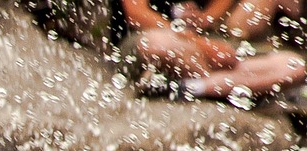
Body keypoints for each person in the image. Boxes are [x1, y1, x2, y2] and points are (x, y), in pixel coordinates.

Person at [118, 0, 306, 102]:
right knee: (156, 42)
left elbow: (214, 19)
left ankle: (191, 88)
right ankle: (232, 85)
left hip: (207, 53)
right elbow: (136, 15)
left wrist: (206, 18)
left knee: (294, 66)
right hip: (159, 44)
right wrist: (202, 44)